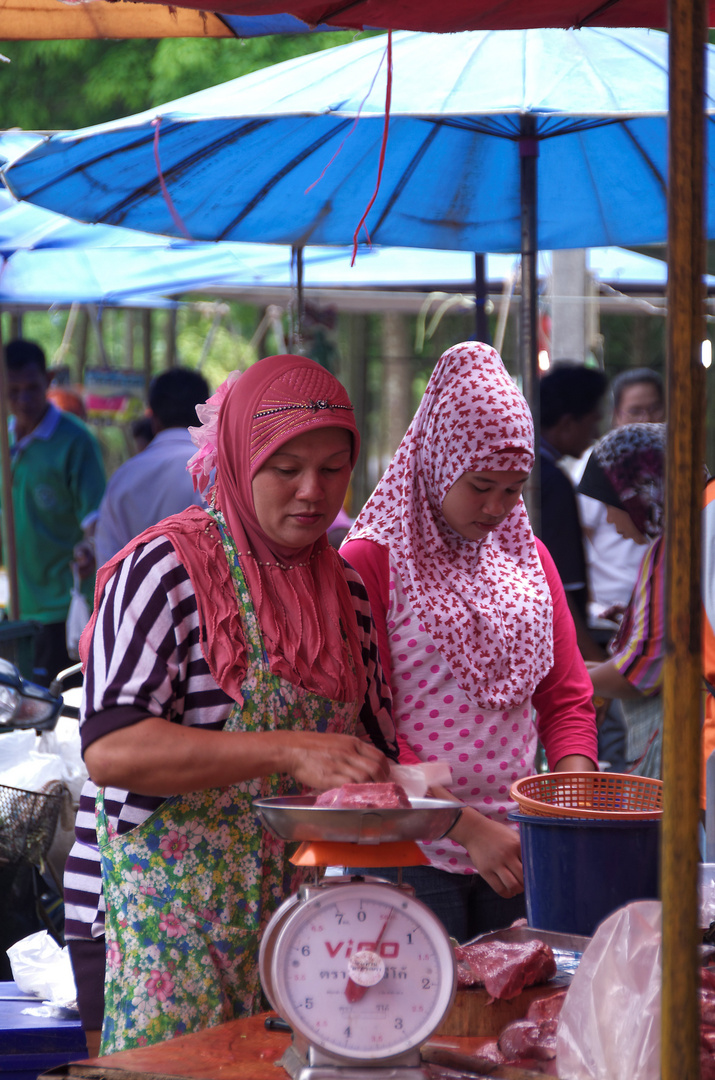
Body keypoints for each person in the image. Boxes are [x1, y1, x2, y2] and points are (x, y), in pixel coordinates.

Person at [63, 355, 397, 1057]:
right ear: (241, 456)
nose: (313, 492)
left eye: (333, 469)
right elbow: (113, 750)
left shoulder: (347, 592)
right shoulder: (163, 570)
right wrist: (284, 748)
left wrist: (464, 824)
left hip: (300, 932)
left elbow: (367, 758)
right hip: (170, 924)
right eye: (285, 468)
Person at [341, 341, 598, 943]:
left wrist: (569, 807)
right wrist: (464, 826)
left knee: (511, 1018)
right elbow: (360, 722)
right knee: (420, 1021)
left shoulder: (529, 561)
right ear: (436, 461)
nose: (497, 507)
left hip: (516, 843)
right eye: (481, 484)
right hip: (404, 845)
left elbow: (565, 698)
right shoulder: (371, 561)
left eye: (513, 489)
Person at [2, 339, 105, 685]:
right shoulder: (5, 439)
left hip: (61, 606)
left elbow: (95, 519)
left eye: (32, 388)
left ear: (48, 379)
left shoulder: (76, 441)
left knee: (56, 707)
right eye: (12, 390)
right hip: (12, 603)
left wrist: (89, 549)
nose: (23, 399)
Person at [580, 423, 666, 778]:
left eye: (611, 505)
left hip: (675, 736)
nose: (610, 521)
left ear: (637, 493)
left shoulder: (668, 554)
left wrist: (574, 683)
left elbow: (642, 671)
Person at [94, 368, 210, 566]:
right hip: (202, 596)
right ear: (206, 416)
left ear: (153, 419)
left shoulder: (123, 477)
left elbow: (107, 560)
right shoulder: (214, 471)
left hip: (134, 596)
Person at [578, 367, 665, 625]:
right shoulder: (602, 468)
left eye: (655, 408)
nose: (647, 418)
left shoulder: (674, 469)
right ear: (617, 415)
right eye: (636, 410)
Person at [539, 362, 609, 662]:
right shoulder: (551, 482)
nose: (595, 433)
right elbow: (559, 588)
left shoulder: (535, 473)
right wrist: (591, 660)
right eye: (593, 421)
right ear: (567, 423)